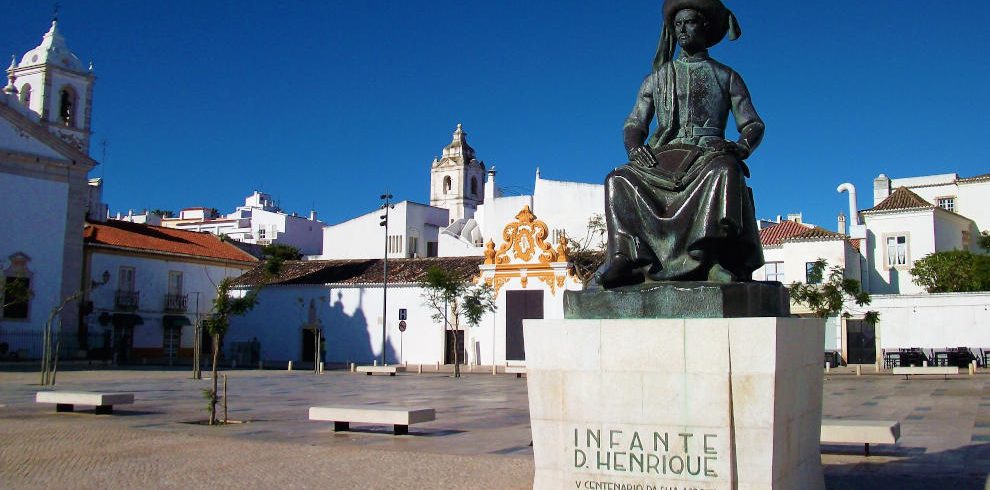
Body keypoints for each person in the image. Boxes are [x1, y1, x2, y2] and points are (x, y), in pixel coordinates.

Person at [597, 0, 765, 288]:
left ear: (705, 27)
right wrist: (635, 147)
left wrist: (741, 147)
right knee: (617, 179)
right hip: (664, 157)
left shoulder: (726, 76)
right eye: (677, 24)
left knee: (725, 170)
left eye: (689, 22)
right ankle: (625, 256)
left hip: (708, 154)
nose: (682, 29)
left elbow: (752, 124)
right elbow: (634, 123)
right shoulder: (657, 78)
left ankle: (710, 260)